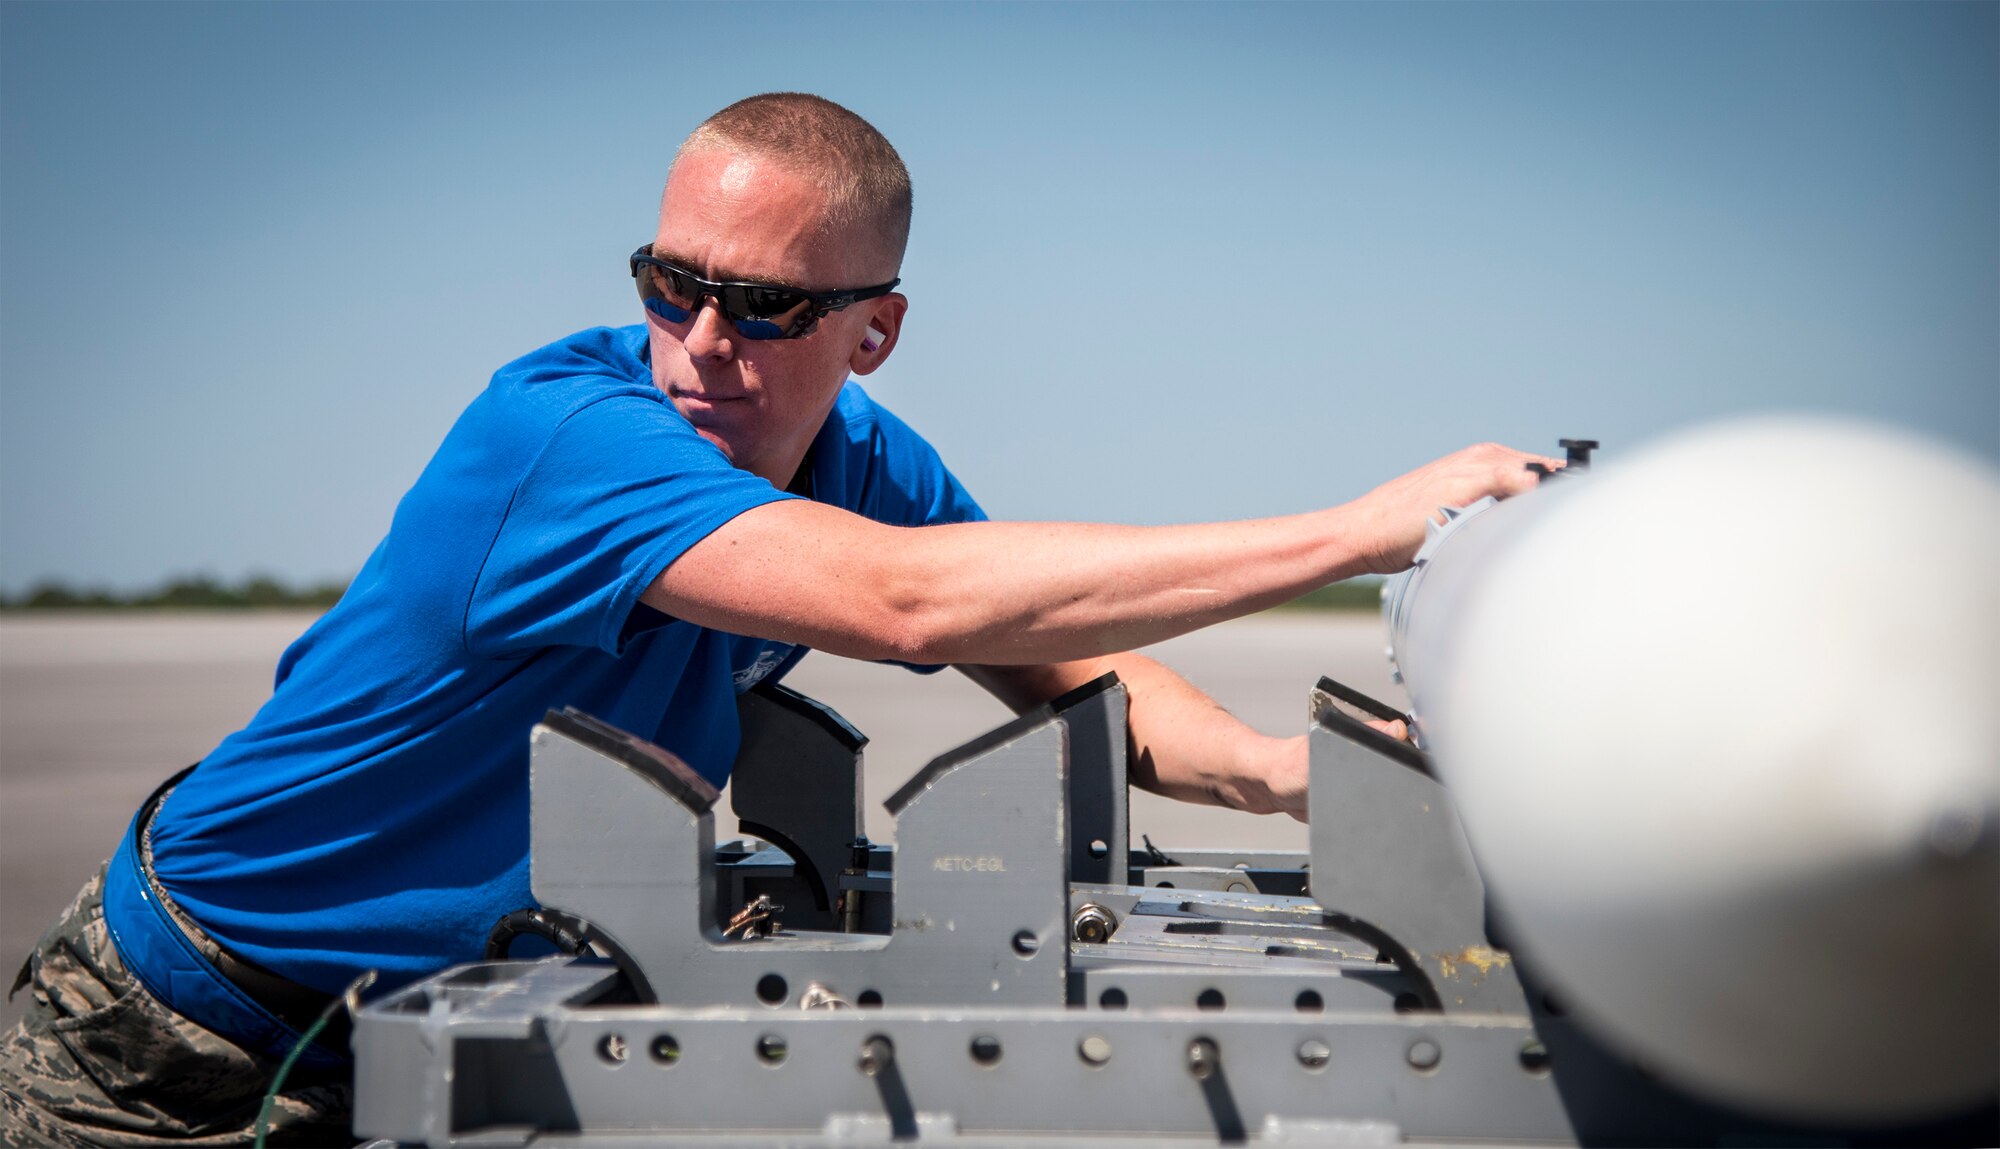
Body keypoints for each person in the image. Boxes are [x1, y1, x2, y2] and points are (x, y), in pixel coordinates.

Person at [0, 92, 1555, 1147]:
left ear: (874, 329)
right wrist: (1365, 528)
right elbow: (906, 601)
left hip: (432, 1032)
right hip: (170, 1028)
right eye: (673, 284)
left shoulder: (864, 463)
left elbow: (1080, 670)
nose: (700, 345)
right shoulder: (569, 435)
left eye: (766, 307)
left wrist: (1296, 772)